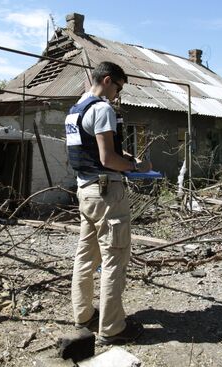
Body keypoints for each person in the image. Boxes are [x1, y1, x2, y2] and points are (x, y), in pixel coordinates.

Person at [65, 61, 152, 345]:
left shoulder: (76, 110)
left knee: (86, 256)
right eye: (118, 87)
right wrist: (134, 167)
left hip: (85, 191)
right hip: (106, 194)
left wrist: (126, 156)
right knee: (115, 256)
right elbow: (107, 159)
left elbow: (94, 147)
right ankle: (113, 328)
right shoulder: (102, 108)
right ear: (106, 80)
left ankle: (84, 316)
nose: (117, 94)